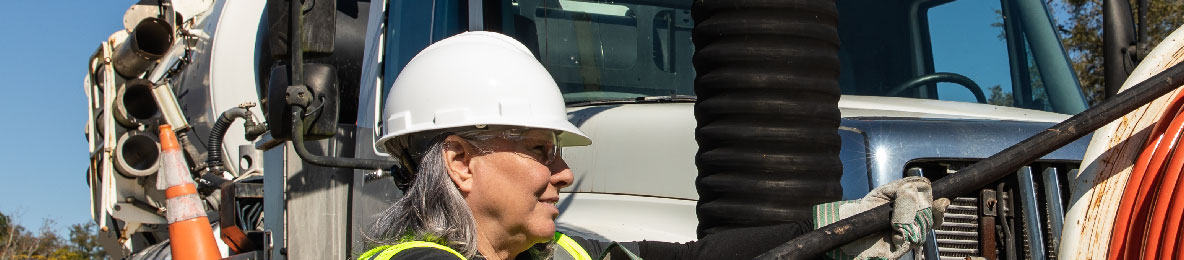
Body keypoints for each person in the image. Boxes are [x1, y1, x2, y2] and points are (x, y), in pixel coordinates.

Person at [356, 31, 939, 260]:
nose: (563, 174)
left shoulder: (558, 253)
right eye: (541, 149)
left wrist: (839, 231)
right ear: (460, 163)